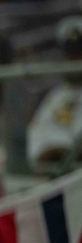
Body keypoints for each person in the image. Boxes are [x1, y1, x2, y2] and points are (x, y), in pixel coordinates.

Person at [27, 16, 82, 172]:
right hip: (48, 171)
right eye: (71, 55)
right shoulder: (56, 96)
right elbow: (36, 133)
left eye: (79, 54)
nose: (75, 61)